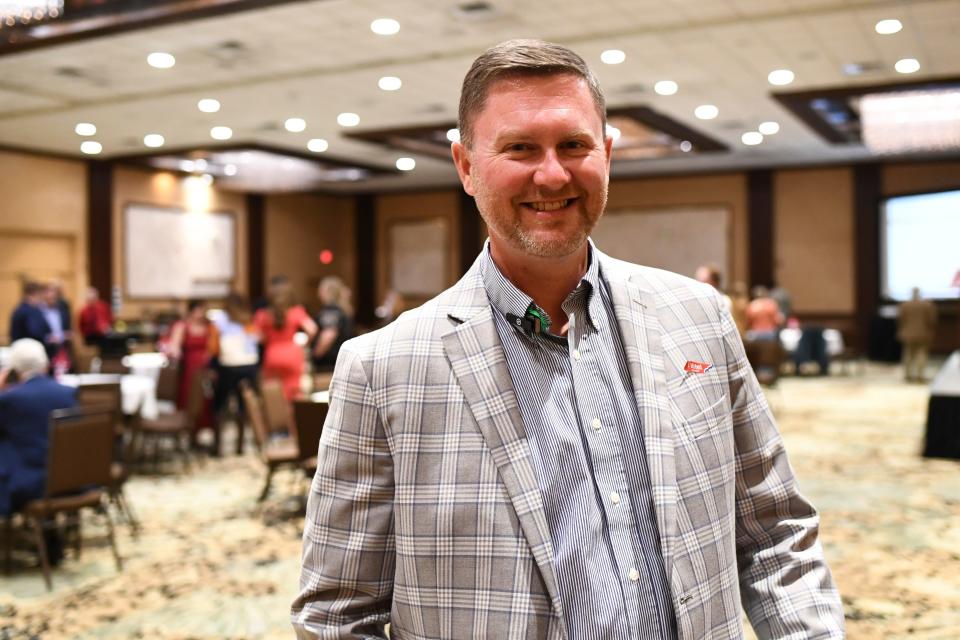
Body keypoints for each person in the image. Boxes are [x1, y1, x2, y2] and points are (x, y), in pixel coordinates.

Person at [292, 40, 844, 639]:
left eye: (574, 145)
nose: (552, 174)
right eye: (520, 148)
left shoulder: (698, 318)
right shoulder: (383, 367)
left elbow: (776, 531)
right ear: (466, 166)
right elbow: (339, 615)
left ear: (606, 154)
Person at [0, 339, 77, 564]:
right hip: (72, 476)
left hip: (32, 481)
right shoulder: (68, 393)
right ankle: (48, 535)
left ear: (14, 369)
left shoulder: (11, 399)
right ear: (44, 363)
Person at [209, 293, 259, 455]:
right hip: (249, 366)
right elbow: (255, 341)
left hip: (227, 366)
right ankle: (240, 446)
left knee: (220, 406)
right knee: (243, 407)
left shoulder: (219, 321)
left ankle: (218, 446)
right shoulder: (248, 320)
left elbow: (213, 348)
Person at [253, 276, 317, 401]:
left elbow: (257, 337)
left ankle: (277, 419)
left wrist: (268, 340)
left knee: (273, 395)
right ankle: (293, 420)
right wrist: (304, 343)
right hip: (292, 354)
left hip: (272, 354)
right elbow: (312, 329)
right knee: (294, 395)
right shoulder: (296, 311)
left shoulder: (263, 314)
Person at [167, 299, 216, 442]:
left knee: (205, 398)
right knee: (188, 394)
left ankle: (202, 431)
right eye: (198, 310)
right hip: (190, 366)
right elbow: (174, 346)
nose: (200, 314)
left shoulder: (209, 326)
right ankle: (187, 429)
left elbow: (213, 345)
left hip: (206, 366)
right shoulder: (183, 325)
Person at [311, 276, 354, 374]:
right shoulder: (342, 310)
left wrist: (314, 356)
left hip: (328, 365)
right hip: (341, 362)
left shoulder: (331, 311)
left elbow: (328, 336)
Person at [898, 287, 937, 382]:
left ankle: (907, 375)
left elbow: (900, 320)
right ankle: (920, 376)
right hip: (923, 333)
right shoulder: (927, 305)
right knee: (921, 354)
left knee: (907, 354)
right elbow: (932, 320)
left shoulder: (904, 305)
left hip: (907, 333)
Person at [9, 281, 49, 345]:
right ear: (34, 294)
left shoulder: (21, 308)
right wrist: (47, 338)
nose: (41, 299)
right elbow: (34, 332)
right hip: (28, 348)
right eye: (40, 296)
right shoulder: (28, 311)